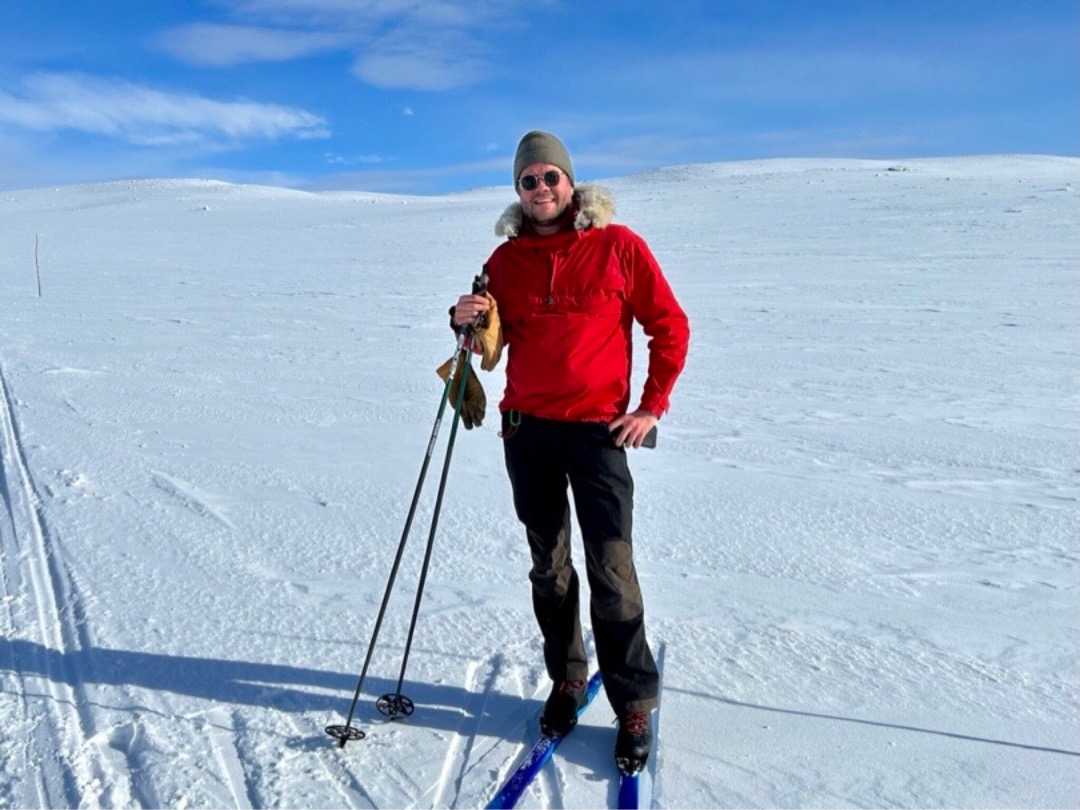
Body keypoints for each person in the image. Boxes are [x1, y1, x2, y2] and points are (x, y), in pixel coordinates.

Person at [450, 130, 690, 773]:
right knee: (549, 567)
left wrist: (651, 405)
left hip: (598, 433)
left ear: (570, 181)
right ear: (518, 190)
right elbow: (491, 341)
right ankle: (566, 678)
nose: (541, 189)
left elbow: (669, 325)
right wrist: (465, 320)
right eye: (528, 180)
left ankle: (632, 701)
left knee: (612, 568)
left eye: (550, 176)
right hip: (527, 431)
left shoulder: (618, 245)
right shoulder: (504, 261)